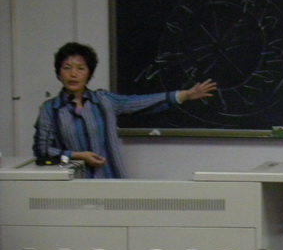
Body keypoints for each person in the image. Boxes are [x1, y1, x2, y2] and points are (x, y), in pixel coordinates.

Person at [33, 42, 217, 178]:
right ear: (59, 72)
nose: (73, 74)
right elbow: (42, 151)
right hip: (72, 187)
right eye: (67, 68)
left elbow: (141, 103)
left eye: (80, 68)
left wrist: (185, 95)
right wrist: (77, 156)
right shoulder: (51, 109)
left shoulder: (104, 101)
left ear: (89, 73)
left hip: (111, 181)